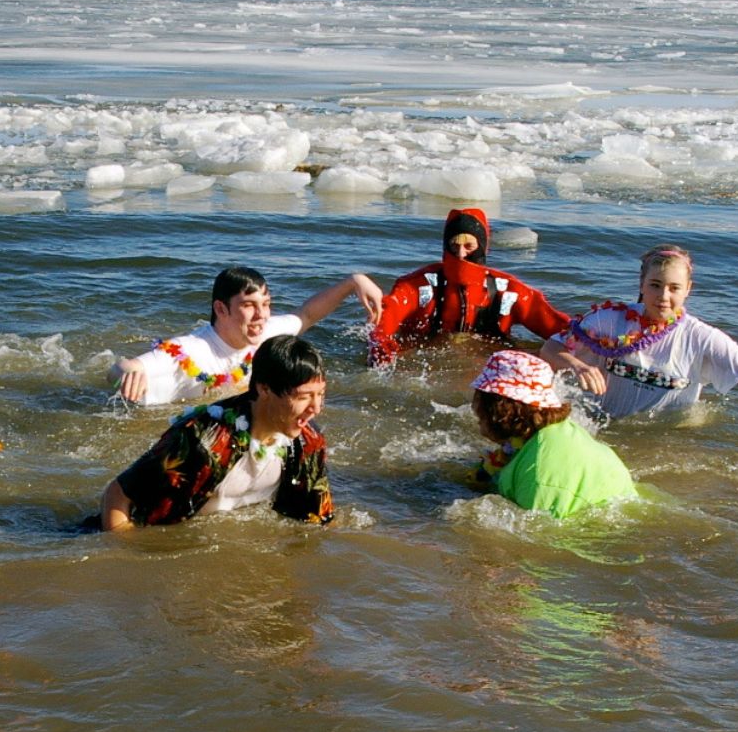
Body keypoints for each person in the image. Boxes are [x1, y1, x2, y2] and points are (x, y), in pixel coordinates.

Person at [539, 244, 738, 428]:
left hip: (663, 434)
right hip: (598, 422)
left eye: (674, 288)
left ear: (688, 289)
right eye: (655, 285)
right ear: (641, 285)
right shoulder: (607, 319)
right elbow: (551, 349)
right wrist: (576, 364)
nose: (663, 297)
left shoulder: (702, 338)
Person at [102, 335, 332, 530]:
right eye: (303, 397)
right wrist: (128, 556)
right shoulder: (202, 440)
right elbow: (118, 494)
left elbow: (317, 516)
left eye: (320, 394)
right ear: (264, 389)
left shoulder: (307, 440)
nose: (316, 408)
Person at [112, 266, 382, 406]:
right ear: (221, 308)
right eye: (249, 306)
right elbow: (121, 367)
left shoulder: (268, 332)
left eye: (265, 304)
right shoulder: (191, 351)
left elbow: (307, 315)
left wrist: (353, 282)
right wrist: (127, 372)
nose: (261, 315)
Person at [368, 208, 569, 367]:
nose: (461, 254)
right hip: (427, 366)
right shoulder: (417, 285)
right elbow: (384, 323)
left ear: (482, 247)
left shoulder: (509, 292)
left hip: (488, 366)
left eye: (468, 247)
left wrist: (592, 343)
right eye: (454, 246)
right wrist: (382, 358)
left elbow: (560, 330)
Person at [471, 350, 636, 517]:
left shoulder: (540, 476)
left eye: (480, 397)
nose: (475, 408)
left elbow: (535, 536)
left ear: (500, 408)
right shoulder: (554, 431)